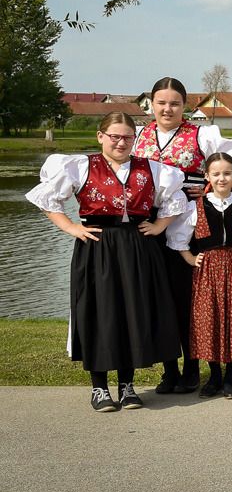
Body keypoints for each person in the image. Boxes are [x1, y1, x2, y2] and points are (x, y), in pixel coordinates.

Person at [26, 112, 187, 411]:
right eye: (114, 136)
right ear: (101, 136)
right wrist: (71, 227)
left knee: (131, 312)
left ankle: (127, 386)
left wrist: (159, 226)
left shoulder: (152, 169)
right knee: (99, 311)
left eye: (127, 137)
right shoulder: (81, 166)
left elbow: (175, 201)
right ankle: (99, 387)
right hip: (97, 246)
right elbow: (47, 199)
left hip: (137, 246)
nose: (121, 142)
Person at [133, 76, 232, 395]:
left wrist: (214, 190)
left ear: (184, 105)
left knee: (189, 299)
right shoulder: (139, 135)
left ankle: (191, 369)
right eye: (161, 102)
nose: (167, 109)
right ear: (151, 104)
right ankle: (169, 369)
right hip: (149, 225)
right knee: (160, 298)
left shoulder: (201, 134)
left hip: (190, 225)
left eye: (175, 103)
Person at [166, 153, 232, 399]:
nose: (222, 178)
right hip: (207, 272)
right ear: (207, 176)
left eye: (227, 173)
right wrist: (190, 258)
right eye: (216, 174)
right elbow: (177, 238)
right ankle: (214, 376)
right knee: (209, 320)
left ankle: (230, 378)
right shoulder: (195, 207)